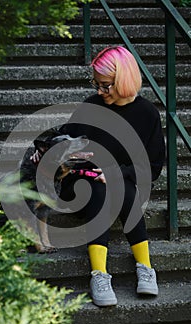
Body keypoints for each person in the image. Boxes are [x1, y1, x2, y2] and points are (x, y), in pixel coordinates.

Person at [57, 46, 165, 306]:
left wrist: (118, 172)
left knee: (121, 186)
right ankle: (99, 274)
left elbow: (152, 168)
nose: (99, 91)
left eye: (106, 86)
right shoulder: (91, 106)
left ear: (124, 80)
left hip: (121, 186)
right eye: (97, 84)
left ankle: (145, 268)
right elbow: (61, 139)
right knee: (99, 187)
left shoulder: (147, 113)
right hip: (79, 184)